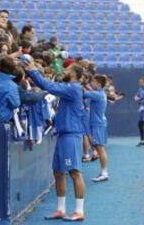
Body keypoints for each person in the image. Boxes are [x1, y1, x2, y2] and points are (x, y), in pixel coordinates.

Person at [24, 57, 86, 221]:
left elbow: (48, 86)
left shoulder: (73, 89)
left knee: (74, 172)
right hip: (64, 134)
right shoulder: (70, 88)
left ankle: (79, 211)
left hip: (71, 135)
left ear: (73, 73)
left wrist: (33, 70)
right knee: (58, 172)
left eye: (68, 69)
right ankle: (61, 209)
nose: (65, 71)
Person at [84, 75, 109, 182]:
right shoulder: (99, 93)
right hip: (97, 123)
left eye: (93, 82)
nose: (91, 83)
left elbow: (83, 93)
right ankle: (103, 172)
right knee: (98, 147)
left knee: (100, 148)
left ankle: (104, 173)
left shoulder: (98, 94)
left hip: (97, 124)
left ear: (98, 83)